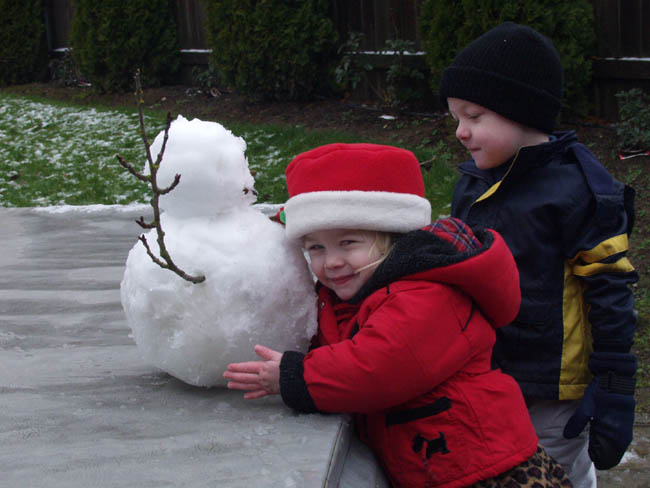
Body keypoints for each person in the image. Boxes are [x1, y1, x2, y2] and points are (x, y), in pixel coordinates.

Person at [224, 142, 572, 487]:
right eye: (316, 247)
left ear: (390, 237)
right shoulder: (349, 294)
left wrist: (294, 377)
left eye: (348, 243)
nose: (330, 261)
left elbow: (376, 366)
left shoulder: (427, 294)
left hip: (488, 471)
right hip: (439, 469)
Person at [438, 22, 638, 488]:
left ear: (523, 112)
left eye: (475, 116)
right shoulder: (475, 180)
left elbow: (610, 287)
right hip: (490, 368)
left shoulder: (577, 191)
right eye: (455, 119)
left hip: (552, 384)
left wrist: (614, 381)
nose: (462, 133)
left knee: (551, 471)